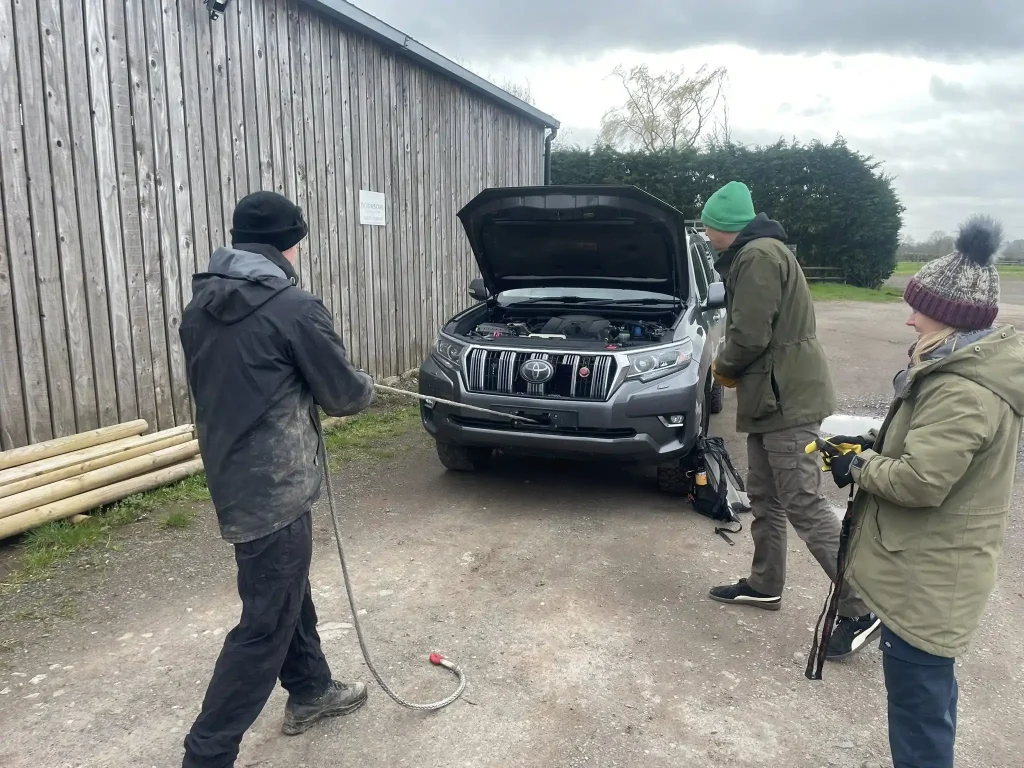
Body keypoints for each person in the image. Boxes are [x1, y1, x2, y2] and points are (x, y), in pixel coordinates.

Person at [178, 191, 375, 768]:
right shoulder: (294, 307)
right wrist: (362, 383)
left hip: (232, 476)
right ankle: (206, 755)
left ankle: (311, 688)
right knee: (265, 623)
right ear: (290, 244)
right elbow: (343, 396)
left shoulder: (200, 306)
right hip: (276, 484)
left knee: (286, 589)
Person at [823, 215, 1022, 768]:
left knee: (919, 714)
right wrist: (871, 443)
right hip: (929, 568)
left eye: (919, 309)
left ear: (951, 317)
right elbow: (927, 451)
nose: (909, 318)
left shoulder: (961, 389)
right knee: (928, 704)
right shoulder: (959, 370)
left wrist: (859, 464)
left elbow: (920, 481)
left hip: (932, 580)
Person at [701, 181, 879, 658]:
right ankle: (765, 584)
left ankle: (862, 606)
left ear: (724, 226)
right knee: (764, 494)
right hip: (770, 397)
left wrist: (721, 366)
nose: (706, 233)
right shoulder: (756, 251)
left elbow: (749, 334)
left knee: (802, 500)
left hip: (787, 399)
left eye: (709, 226)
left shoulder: (758, 256)